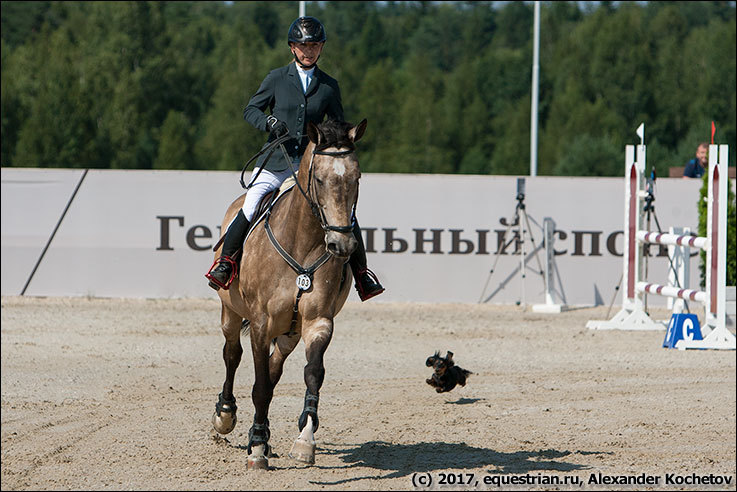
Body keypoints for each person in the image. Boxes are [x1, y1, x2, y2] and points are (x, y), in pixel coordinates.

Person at [206, 16, 384, 302]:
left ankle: (362, 275)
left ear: (321, 47)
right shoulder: (276, 78)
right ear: (292, 47)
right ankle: (226, 263)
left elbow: (337, 125)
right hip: (276, 162)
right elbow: (251, 110)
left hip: (312, 166)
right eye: (303, 45)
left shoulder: (328, 86)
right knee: (251, 205)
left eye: (314, 45)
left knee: (346, 215)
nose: (308, 50)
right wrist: (269, 122)